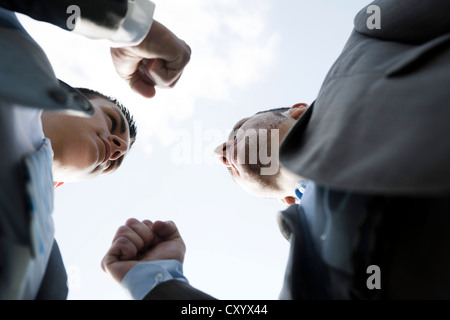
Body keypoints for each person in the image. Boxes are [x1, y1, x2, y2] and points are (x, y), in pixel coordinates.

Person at [102, 0, 450, 300]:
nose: (220, 151)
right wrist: (157, 280)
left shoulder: (369, 43)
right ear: (283, 202)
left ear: (297, 111)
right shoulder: (308, 263)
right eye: (227, 166)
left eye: (238, 127)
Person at [0, 0, 190, 299]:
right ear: (65, 94)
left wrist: (161, 285)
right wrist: (131, 26)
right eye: (112, 122)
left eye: (116, 163)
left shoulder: (48, 277)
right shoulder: (9, 43)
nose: (115, 148)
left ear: (58, 184)